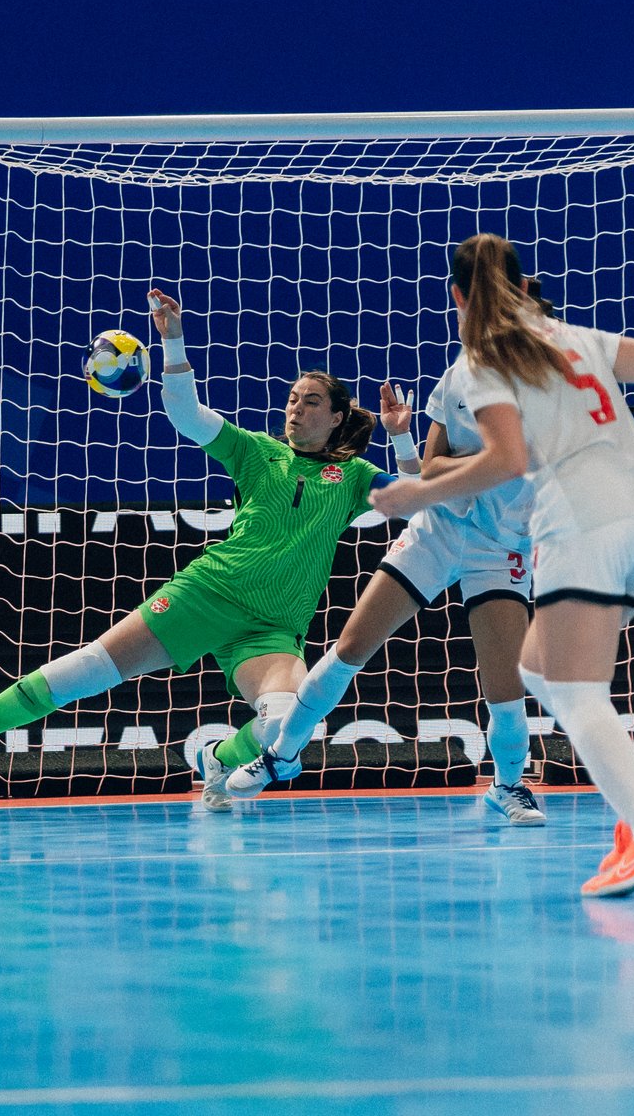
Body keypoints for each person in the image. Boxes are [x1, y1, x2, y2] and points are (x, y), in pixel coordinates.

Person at [244, 234, 634, 897]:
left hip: (537, 538)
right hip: (613, 527)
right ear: (523, 290)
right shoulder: (545, 350)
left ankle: (626, 825)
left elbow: (497, 460)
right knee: (506, 667)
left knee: (545, 687)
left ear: (459, 297)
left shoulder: (491, 361)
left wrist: (414, 490)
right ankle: (281, 756)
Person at [0, 289, 417, 809]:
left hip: (274, 627)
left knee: (289, 721)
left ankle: (217, 757)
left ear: (335, 418)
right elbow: (187, 415)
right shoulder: (257, 452)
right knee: (89, 670)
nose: (296, 409)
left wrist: (400, 439)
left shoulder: (353, 477)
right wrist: (174, 342)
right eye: (291, 399)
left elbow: (419, 500)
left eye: (311, 402)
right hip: (208, 593)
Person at [227, 240, 546, 825]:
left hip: (502, 547)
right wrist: (483, 459)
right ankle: (280, 755)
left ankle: (508, 785)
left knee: (505, 686)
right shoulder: (457, 381)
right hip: (439, 530)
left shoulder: (557, 384)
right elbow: (428, 471)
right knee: (351, 647)